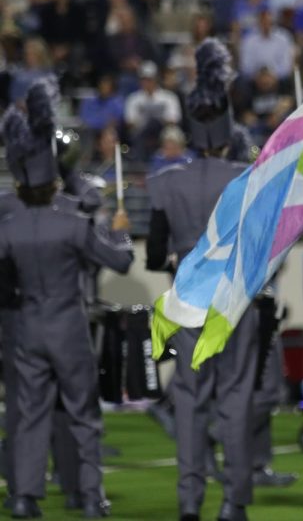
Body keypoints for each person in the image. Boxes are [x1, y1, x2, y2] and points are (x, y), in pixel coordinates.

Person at [0, 79, 134, 519]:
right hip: (68, 327)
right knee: (82, 412)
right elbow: (119, 262)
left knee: (30, 413)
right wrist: (119, 228)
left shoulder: (9, 227)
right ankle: (91, 496)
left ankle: (24, 496)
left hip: (24, 328)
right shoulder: (72, 223)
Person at [146, 38, 258, 521]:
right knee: (234, 402)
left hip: (189, 302)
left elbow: (153, 256)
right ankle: (233, 502)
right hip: (235, 303)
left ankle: (189, 503)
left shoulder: (166, 182)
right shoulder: (250, 176)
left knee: (190, 404)